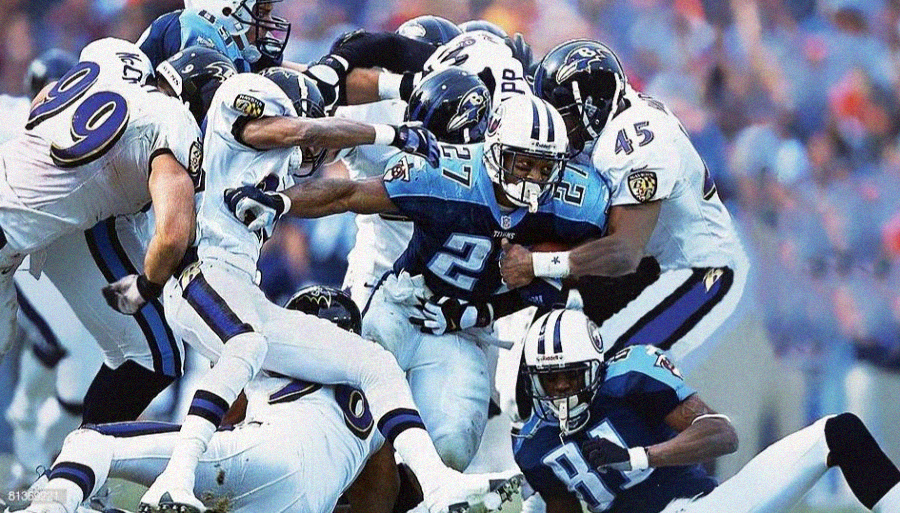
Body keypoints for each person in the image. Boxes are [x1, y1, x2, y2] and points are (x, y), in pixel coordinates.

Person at [141, 65, 515, 513]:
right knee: (245, 347)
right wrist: (389, 133)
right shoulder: (240, 100)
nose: (312, 150)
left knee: (372, 365)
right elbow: (297, 130)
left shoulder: (270, 170)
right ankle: (175, 477)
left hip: (247, 295)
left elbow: (310, 173)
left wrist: (280, 200)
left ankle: (437, 485)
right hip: (202, 277)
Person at [223, 93, 609, 471]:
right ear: (493, 151)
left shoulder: (575, 204)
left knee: (453, 448)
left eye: (544, 168)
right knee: (350, 416)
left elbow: (588, 265)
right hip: (405, 304)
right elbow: (348, 194)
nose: (533, 179)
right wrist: (281, 202)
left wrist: (515, 284)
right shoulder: (447, 175)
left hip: (466, 331)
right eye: (522, 164)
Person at [21, 286, 522, 513]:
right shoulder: (377, 386)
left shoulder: (275, 353)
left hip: (254, 458)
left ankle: (43, 506)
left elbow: (224, 416)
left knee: (91, 443)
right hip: (311, 500)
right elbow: (377, 493)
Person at [0, 42, 230, 426]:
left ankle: (74, 470)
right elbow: (173, 236)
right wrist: (145, 286)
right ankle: (79, 466)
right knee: (159, 356)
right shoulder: (174, 120)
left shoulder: (114, 57)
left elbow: (42, 98)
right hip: (10, 232)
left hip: (9, 209)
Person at [500, 39, 748, 367]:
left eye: (565, 116)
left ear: (593, 108)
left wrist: (535, 264)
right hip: (651, 264)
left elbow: (623, 252)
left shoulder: (636, 144)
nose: (559, 128)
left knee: (605, 362)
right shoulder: (612, 115)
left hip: (697, 270)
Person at [514, 308, 900, 513]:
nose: (562, 388)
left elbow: (722, 434)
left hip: (705, 506)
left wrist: (637, 458)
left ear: (596, 368)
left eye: (571, 375)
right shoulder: (532, 443)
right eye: (551, 379)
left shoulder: (628, 379)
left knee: (840, 432)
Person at [340, 66, 492, 306]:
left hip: (451, 291)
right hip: (379, 271)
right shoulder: (378, 116)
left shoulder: (496, 157)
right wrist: (383, 134)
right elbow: (313, 153)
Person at [137, 0, 291, 73]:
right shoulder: (192, 29)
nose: (270, 23)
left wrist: (313, 71)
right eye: (261, 13)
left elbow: (274, 67)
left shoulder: (238, 49)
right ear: (228, 11)